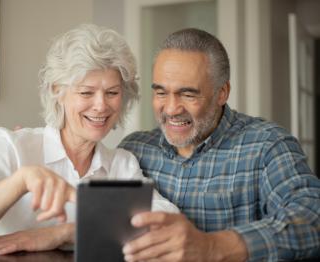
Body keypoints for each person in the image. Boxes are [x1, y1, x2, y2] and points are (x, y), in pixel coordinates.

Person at [0, 24, 178, 255]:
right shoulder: (15, 147)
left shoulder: (121, 165)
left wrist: (62, 233)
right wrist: (21, 180)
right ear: (57, 91)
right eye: (86, 92)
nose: (101, 105)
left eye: (112, 93)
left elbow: (168, 226)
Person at [119, 28, 320, 261]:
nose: (172, 109)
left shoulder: (268, 145)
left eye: (188, 94)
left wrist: (212, 247)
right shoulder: (134, 149)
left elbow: (312, 216)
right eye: (161, 93)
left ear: (222, 92)